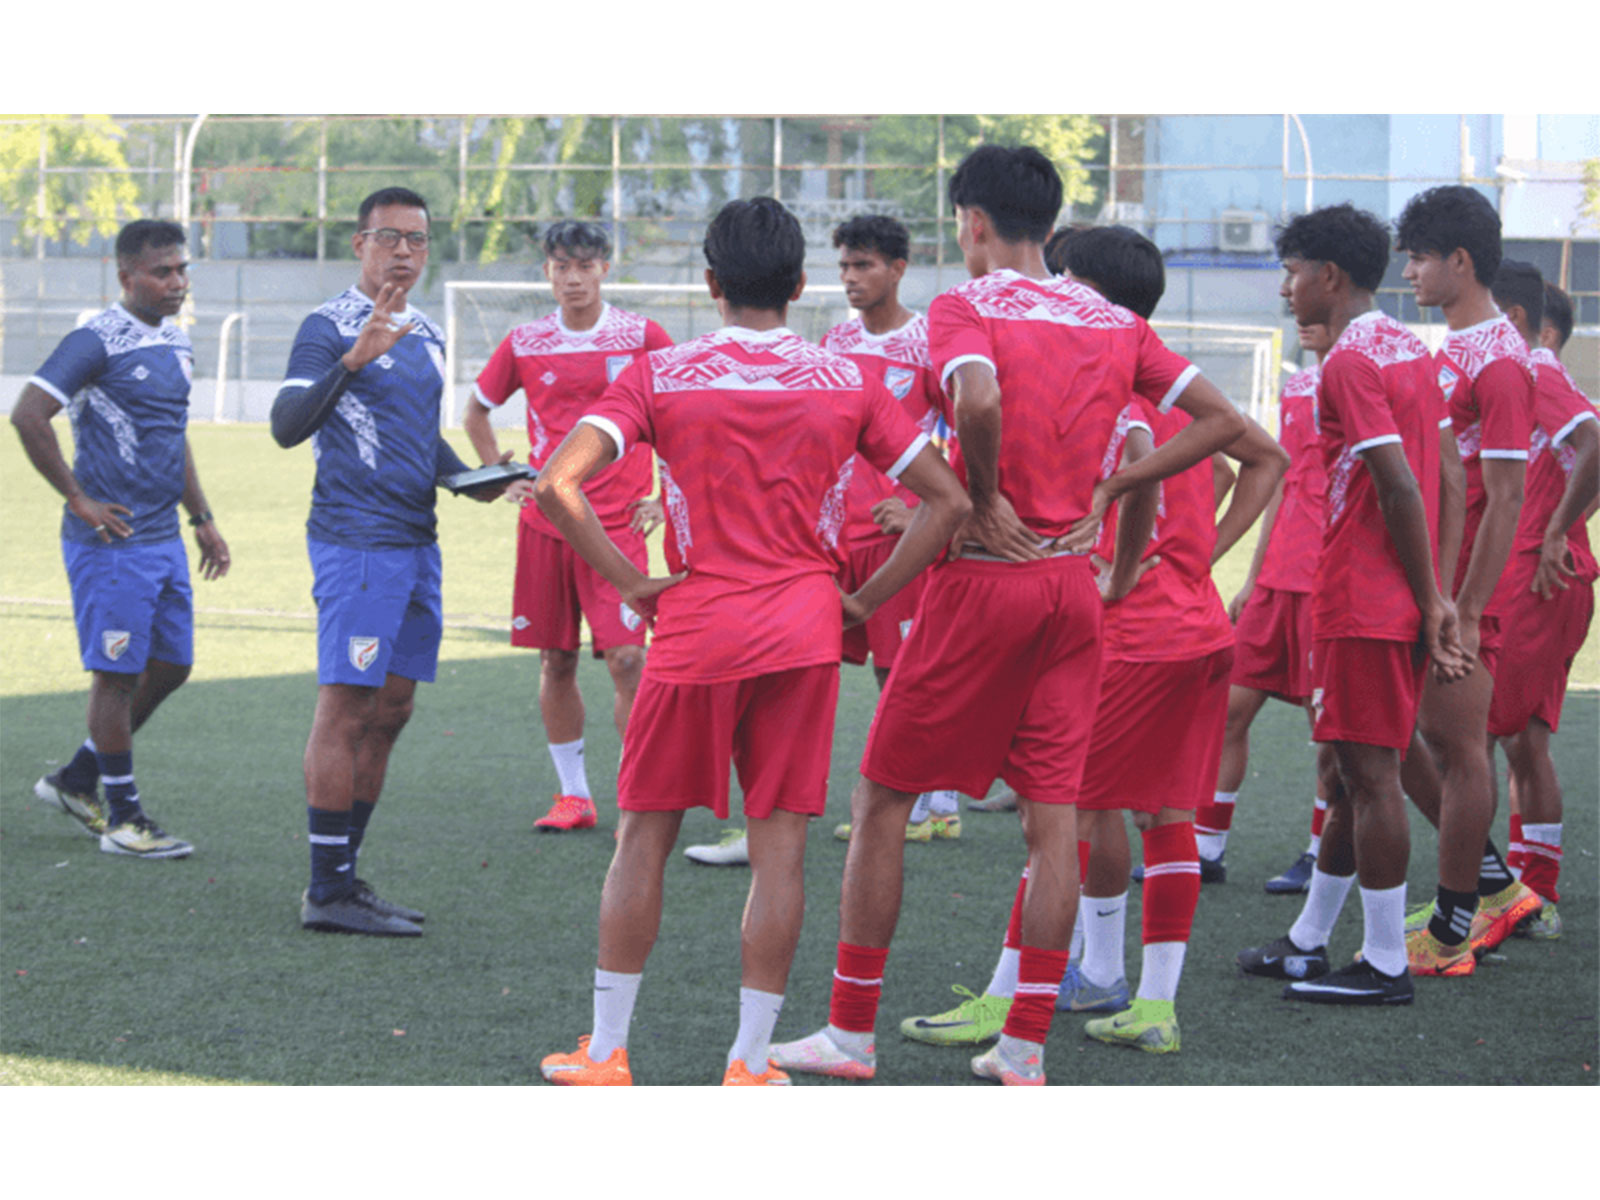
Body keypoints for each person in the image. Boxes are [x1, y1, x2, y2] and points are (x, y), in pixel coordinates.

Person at [770, 146, 1246, 1086]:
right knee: (1053, 819)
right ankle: (1024, 1046)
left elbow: (977, 394)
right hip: (1073, 587)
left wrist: (983, 498)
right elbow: (1223, 426)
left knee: (880, 802)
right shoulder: (1110, 318)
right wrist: (1109, 500)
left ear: (973, 221)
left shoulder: (968, 304)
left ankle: (850, 1033)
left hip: (985, 581)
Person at [534, 196, 968, 1086]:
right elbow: (949, 501)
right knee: (780, 851)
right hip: (804, 632)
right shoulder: (847, 379)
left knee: (641, 839)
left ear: (710, 282)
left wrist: (628, 580)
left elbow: (555, 486)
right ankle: (748, 1062)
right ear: (803, 283)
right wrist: (862, 598)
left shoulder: (664, 373)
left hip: (694, 630)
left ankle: (609, 1052)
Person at [895, 224, 1286, 1057]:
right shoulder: (1171, 392)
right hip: (1195, 627)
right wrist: (1201, 560)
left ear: (1090, 294)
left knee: (1062, 819)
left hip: (1132, 633)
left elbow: (1138, 472)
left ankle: (1017, 997)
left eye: (1066, 277)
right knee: (1163, 814)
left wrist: (1121, 558)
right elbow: (1256, 458)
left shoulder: (1105, 397)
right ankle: (1146, 999)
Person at [1236, 203, 1471, 1005]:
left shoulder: (1346, 364)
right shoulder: (1409, 349)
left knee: (1371, 775)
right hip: (1391, 592)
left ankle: (1383, 964)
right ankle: (1309, 941)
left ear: (1329, 277)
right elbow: (1444, 475)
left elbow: (1398, 481)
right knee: (1344, 770)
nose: (1285, 291)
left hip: (1364, 596)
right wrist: (1433, 589)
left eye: (1292, 274)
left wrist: (1429, 596)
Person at [271, 186, 510, 937]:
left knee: (395, 708)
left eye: (416, 238)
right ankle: (326, 891)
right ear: (359, 244)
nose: (403, 250)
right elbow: (285, 426)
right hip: (357, 544)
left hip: (416, 542)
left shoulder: (429, 331)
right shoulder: (328, 327)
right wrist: (350, 359)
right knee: (346, 709)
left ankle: (344, 876)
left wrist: (479, 480)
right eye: (388, 236)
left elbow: (422, 441)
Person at [14, 218, 229, 859]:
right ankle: (124, 819)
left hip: (162, 537)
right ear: (126, 275)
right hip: (110, 544)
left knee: (173, 664)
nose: (176, 282)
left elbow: (173, 435)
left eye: (182, 270)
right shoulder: (96, 340)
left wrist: (202, 517)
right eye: (162, 271)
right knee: (115, 676)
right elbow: (28, 413)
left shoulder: (178, 344)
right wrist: (77, 498)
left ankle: (79, 778)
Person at [463, 221, 673, 834]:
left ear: (606, 267)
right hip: (547, 524)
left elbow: (681, 408)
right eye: (562, 266)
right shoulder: (526, 341)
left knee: (628, 659)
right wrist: (501, 475)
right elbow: (477, 409)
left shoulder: (641, 335)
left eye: (585, 265)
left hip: (618, 527)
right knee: (556, 660)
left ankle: (641, 790)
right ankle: (574, 795)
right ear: (548, 272)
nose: (573, 278)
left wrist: (663, 493)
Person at [1394, 186, 1534, 977]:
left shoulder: (1503, 359)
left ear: (1460, 261)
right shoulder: (1452, 347)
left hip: (1473, 586)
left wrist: (1471, 610)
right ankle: (1493, 886)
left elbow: (1507, 492)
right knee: (1400, 740)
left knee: (1455, 745)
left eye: (1419, 257)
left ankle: (1452, 932)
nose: (1408, 271)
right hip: (1437, 580)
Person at [1481, 270, 1596, 942]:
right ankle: (1533, 888)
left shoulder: (1533, 367)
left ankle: (1491, 893)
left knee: (1473, 741)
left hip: (1535, 581)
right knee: (1524, 742)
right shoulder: (1528, 372)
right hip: (1545, 579)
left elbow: (1595, 443)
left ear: (1525, 322)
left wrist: (1554, 532)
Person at [1208, 323, 1333, 894]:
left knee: (1330, 729)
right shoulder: (1300, 385)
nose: (1289, 292)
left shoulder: (1369, 374)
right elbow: (1282, 476)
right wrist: (1255, 576)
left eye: (1299, 273)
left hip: (1331, 579)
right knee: (1228, 707)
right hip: (1280, 575)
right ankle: (1206, 847)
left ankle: (1321, 852)